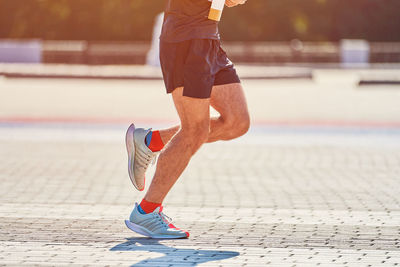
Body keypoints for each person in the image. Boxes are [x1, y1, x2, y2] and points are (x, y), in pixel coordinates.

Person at [125, 0, 250, 239]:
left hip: (209, 39)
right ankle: (147, 211)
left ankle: (151, 142)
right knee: (195, 130)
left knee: (237, 122)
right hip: (186, 40)